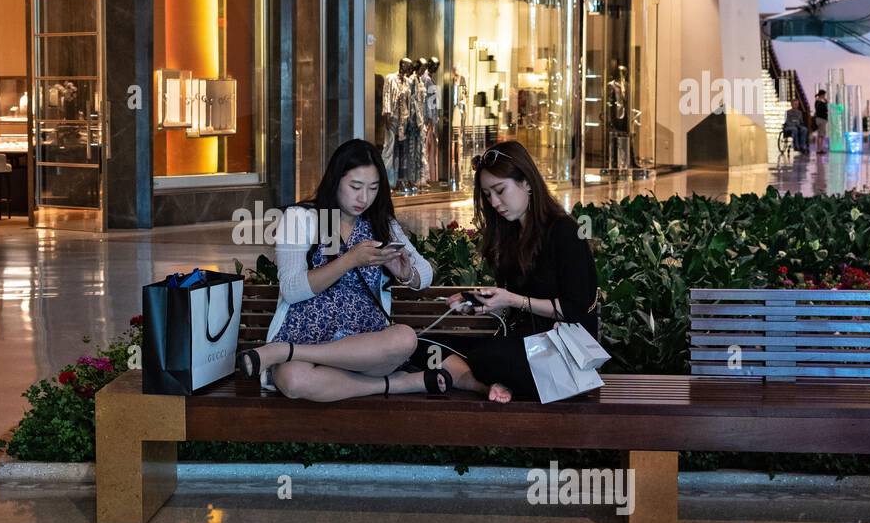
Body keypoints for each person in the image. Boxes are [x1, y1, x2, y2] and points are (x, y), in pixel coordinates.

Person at [236, 139, 452, 401]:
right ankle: (397, 384)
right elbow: (292, 290)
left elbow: (425, 273)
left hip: (363, 345)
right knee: (293, 380)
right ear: (336, 180)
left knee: (405, 339)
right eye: (355, 186)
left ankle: (284, 352)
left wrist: (406, 273)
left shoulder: (381, 223)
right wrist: (350, 260)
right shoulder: (301, 218)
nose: (364, 198)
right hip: (306, 334)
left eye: (373, 188)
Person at [422, 140, 598, 403]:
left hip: (564, 355)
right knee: (425, 344)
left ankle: (479, 380)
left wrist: (512, 299)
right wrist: (479, 301)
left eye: (500, 190)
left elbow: (576, 308)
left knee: (488, 357)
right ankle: (486, 385)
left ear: (526, 182)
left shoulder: (565, 231)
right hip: (521, 346)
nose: (494, 202)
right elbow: (513, 307)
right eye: (487, 194)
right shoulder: (510, 235)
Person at [813, 90, 830, 154]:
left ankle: (819, 149)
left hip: (819, 119)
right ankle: (819, 149)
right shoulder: (820, 102)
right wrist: (826, 103)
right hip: (821, 120)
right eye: (824, 95)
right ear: (822, 95)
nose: (824, 96)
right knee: (821, 135)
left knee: (820, 135)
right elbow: (825, 110)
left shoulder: (817, 102)